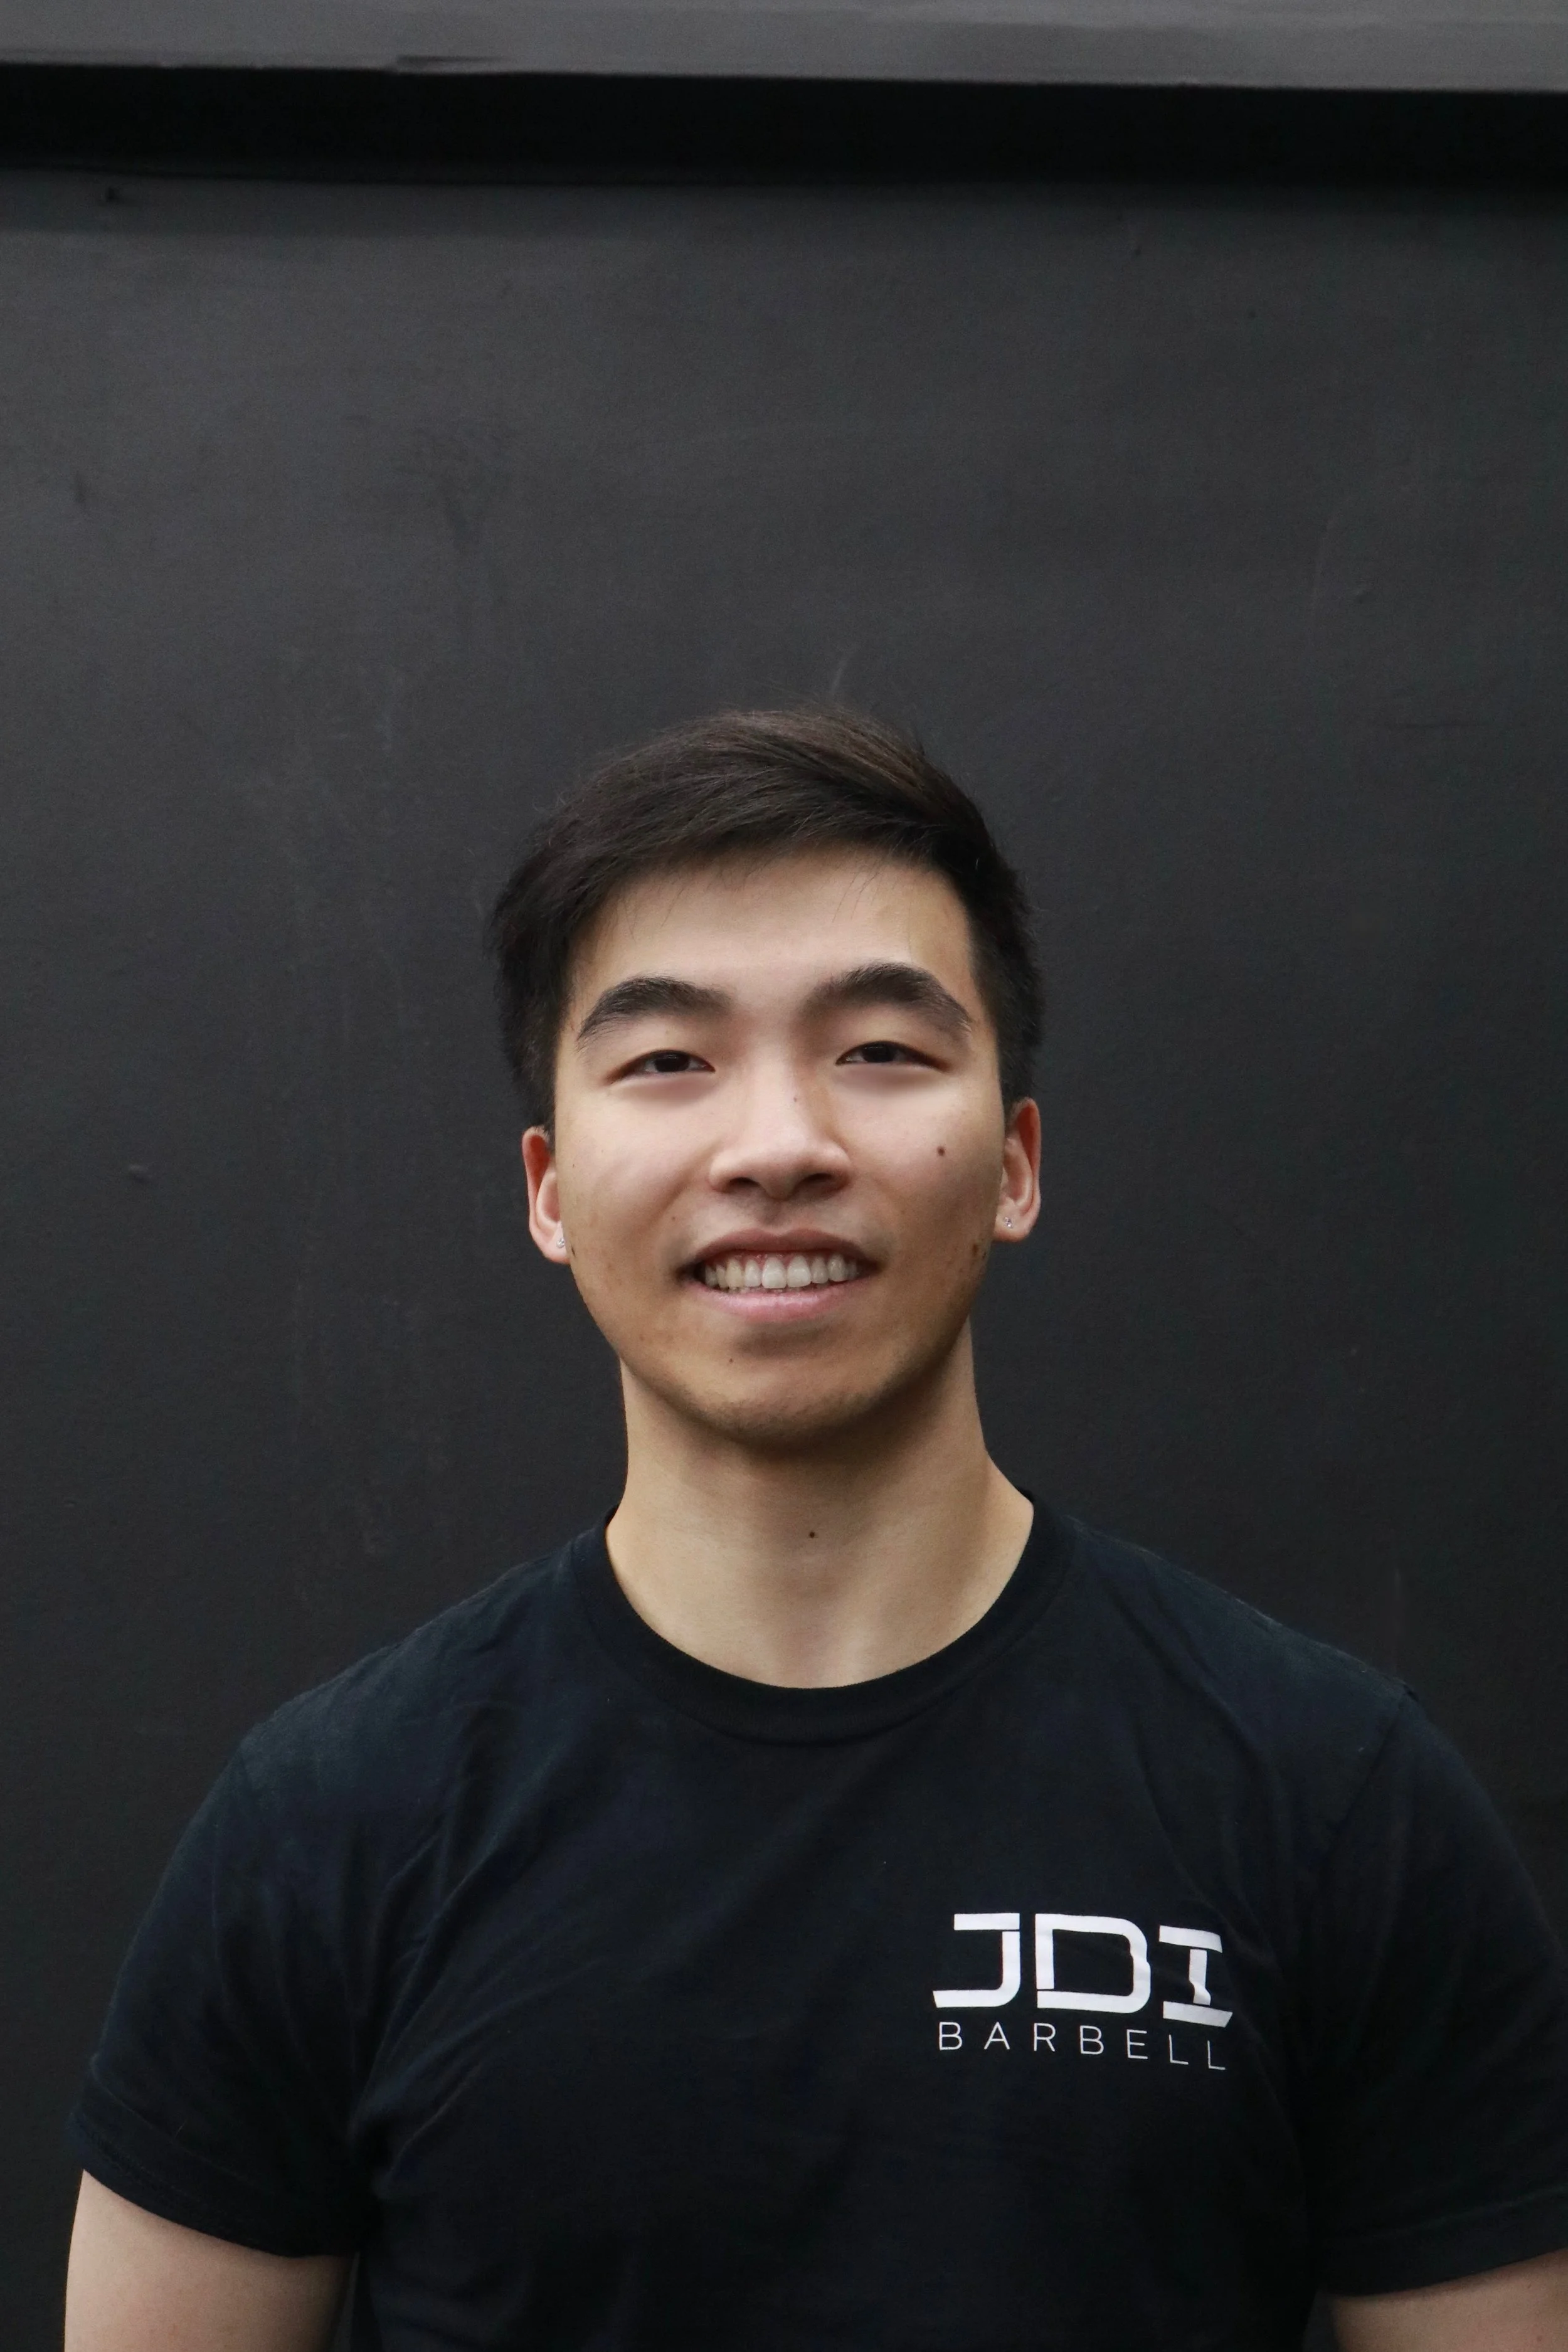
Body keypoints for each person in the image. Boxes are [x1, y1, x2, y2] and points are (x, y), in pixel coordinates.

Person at [65, 709, 1568, 2352]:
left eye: (878, 1051)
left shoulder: (1331, 1800)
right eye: (666, 1061)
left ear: (1013, 1161)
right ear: (548, 1187)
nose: (777, 1145)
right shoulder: (326, 1826)